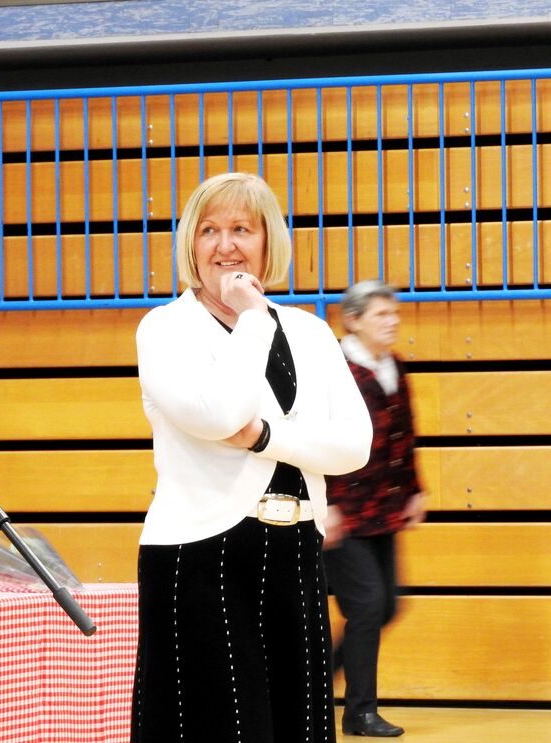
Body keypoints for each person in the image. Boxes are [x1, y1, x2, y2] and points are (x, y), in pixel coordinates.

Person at [131, 172, 373, 743]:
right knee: (218, 727)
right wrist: (253, 319)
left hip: (296, 553)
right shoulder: (164, 328)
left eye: (242, 228)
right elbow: (218, 414)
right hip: (197, 557)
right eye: (209, 230)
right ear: (191, 243)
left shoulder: (311, 332)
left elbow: (353, 446)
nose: (225, 244)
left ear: (269, 241)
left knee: (298, 724)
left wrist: (268, 437)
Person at [323, 280, 427, 738]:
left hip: (383, 510)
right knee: (367, 605)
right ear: (353, 319)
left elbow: (405, 436)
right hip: (341, 514)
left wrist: (415, 490)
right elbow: (315, 441)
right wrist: (323, 505)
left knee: (386, 607)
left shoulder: (393, 367)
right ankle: (360, 713)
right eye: (382, 314)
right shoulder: (333, 370)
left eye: (395, 314)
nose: (393, 322)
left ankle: (314, 680)